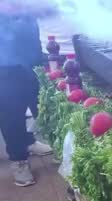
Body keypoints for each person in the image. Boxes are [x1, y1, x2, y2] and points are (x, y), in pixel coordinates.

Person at [1, 2, 55, 187]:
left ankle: (29, 142)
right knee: (11, 116)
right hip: (5, 66)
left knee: (42, 106)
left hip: (33, 59)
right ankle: (19, 161)